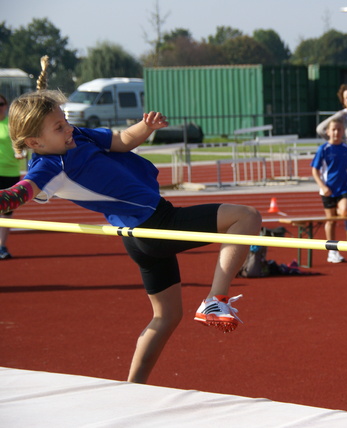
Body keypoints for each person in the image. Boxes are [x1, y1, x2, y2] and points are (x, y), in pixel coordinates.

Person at [1, 56, 262, 384]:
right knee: (247, 218)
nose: (68, 128)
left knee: (166, 317)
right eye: (59, 127)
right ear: (34, 143)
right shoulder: (49, 165)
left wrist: (146, 127)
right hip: (155, 224)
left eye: (65, 121)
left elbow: (122, 141)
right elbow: (20, 193)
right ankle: (215, 300)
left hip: (136, 234)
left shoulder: (77, 136)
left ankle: (132, 387)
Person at [316, 84, 347, 241]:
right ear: (343, 101)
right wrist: (335, 142)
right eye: (346, 97)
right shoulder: (341, 116)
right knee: (346, 202)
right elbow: (321, 128)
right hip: (344, 157)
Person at [311, 119, 347, 263]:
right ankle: (332, 251)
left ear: (343, 132)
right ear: (328, 132)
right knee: (331, 221)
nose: (336, 132)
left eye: (339, 130)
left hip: (342, 189)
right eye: (333, 130)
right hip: (328, 190)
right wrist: (322, 186)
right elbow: (315, 170)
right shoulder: (323, 149)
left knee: (345, 210)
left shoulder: (345, 149)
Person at [0, 93, 25, 259]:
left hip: (10, 173)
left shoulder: (11, 124)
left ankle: (1, 246)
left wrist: (21, 152)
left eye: (1, 104)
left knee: (6, 213)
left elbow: (21, 142)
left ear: (6, 105)